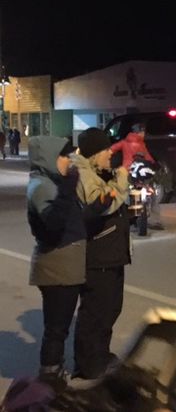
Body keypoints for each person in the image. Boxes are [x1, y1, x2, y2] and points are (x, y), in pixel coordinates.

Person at [26, 136, 85, 392]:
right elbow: (53, 226)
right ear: (50, 158)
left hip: (64, 265)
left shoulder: (51, 183)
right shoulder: (42, 186)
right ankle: (50, 378)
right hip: (57, 267)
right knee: (57, 327)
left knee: (58, 326)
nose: (69, 161)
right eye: (64, 157)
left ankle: (53, 372)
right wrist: (68, 188)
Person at [71, 127, 131, 382]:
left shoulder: (95, 170)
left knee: (110, 309)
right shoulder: (83, 174)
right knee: (96, 312)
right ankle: (88, 365)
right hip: (98, 253)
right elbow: (101, 205)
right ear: (95, 153)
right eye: (106, 149)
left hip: (111, 251)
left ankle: (100, 355)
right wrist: (122, 177)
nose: (110, 152)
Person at [110, 122, 163, 230]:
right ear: (139, 132)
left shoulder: (125, 142)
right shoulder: (141, 144)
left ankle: (124, 217)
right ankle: (155, 220)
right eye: (142, 132)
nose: (144, 134)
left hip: (128, 173)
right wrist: (155, 165)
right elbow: (148, 158)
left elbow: (111, 150)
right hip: (141, 173)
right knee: (154, 193)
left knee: (124, 194)